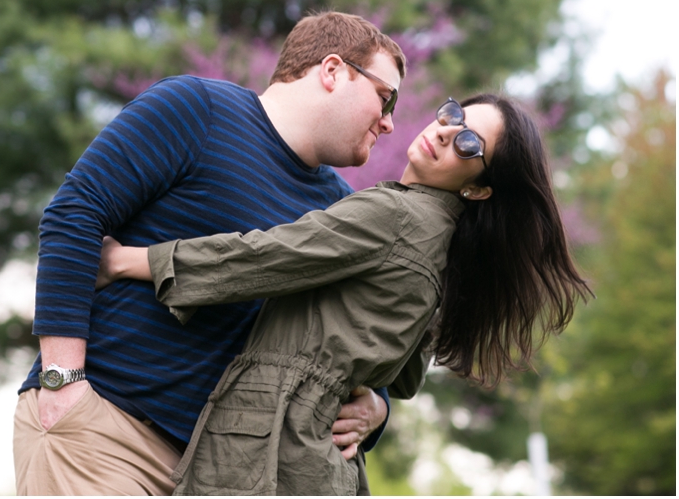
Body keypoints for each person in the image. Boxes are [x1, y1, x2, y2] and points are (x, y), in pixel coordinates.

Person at [96, 94, 593, 495]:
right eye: (454, 114)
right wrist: (375, 406)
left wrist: (129, 260)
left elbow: (268, 257)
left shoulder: (396, 216)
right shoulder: (446, 251)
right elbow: (403, 378)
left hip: (268, 445)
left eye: (467, 142)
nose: (445, 130)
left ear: (479, 189)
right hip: (327, 465)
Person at [12, 11, 408, 495]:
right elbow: (74, 214)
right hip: (105, 430)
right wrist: (61, 382)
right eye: (385, 98)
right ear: (332, 71)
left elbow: (349, 338)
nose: (389, 123)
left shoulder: (341, 209)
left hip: (220, 474)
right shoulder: (197, 108)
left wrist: (379, 406)